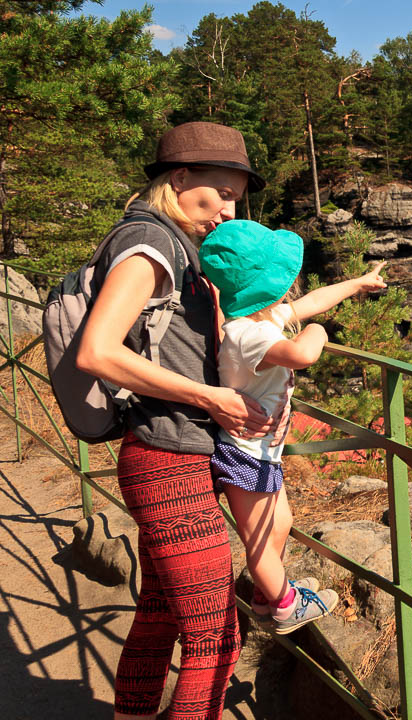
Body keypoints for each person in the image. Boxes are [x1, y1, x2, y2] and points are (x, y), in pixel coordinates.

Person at [76, 122, 276, 720]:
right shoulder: (148, 244)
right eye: (220, 192)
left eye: (236, 198)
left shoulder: (171, 241)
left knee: (160, 617)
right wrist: (210, 398)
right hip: (169, 466)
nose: (228, 210)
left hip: (162, 455)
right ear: (181, 178)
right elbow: (98, 351)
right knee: (215, 638)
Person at [197, 219, 387, 634]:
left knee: (279, 524)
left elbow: (310, 303)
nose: (292, 287)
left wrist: (357, 284)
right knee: (261, 539)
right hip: (243, 453)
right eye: (285, 279)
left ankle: (267, 596)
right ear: (266, 287)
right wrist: (317, 331)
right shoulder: (249, 336)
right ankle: (285, 605)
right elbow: (303, 353)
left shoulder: (259, 321)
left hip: (261, 453)